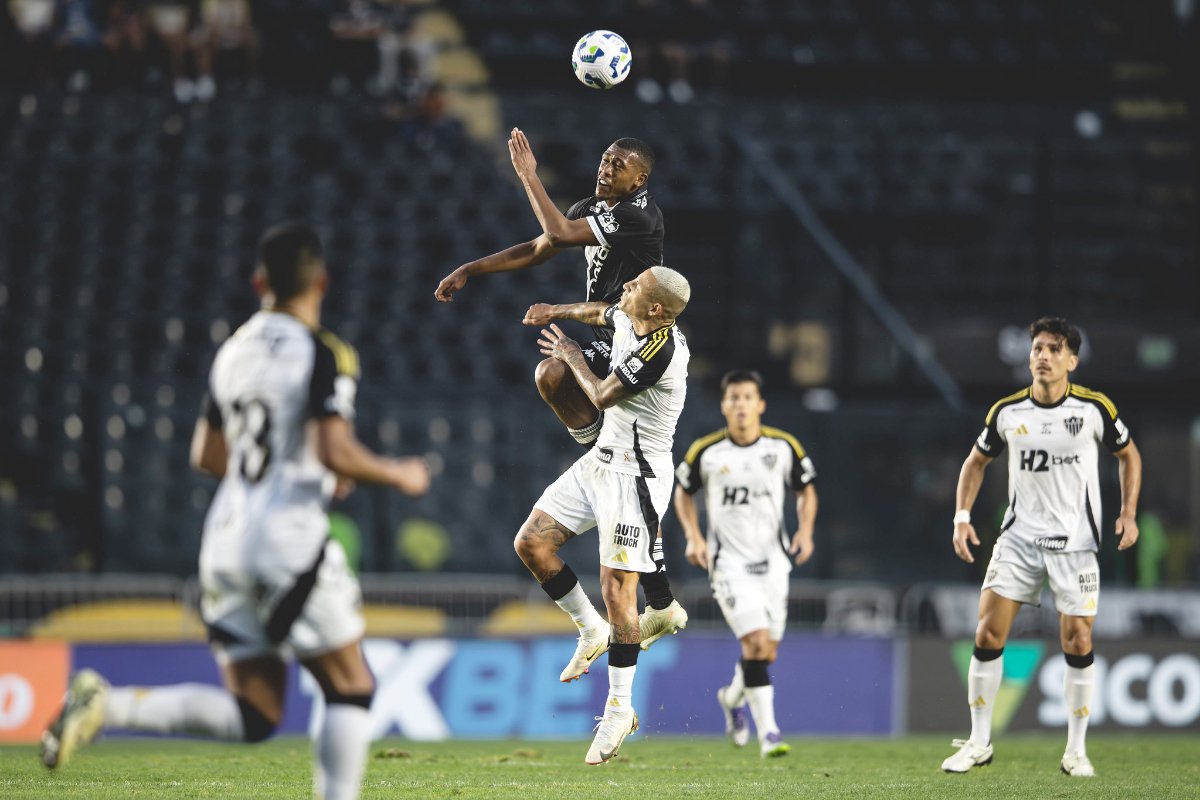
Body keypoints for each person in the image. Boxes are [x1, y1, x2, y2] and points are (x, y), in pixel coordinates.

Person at [40, 222, 431, 800]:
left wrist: (295, 468)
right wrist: (398, 471)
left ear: (258, 282)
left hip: (224, 538)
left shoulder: (233, 351)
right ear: (321, 281)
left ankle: (107, 702)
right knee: (350, 686)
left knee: (256, 712)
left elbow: (207, 454)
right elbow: (333, 448)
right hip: (286, 538)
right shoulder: (324, 351)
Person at [435, 127, 686, 650]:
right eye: (603, 157)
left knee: (561, 377)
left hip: (638, 341)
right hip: (604, 333)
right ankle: (602, 454)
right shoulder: (593, 207)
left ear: (640, 176)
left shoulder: (641, 215)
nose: (606, 167)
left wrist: (528, 177)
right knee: (550, 374)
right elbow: (540, 244)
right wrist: (470, 269)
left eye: (618, 163)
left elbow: (560, 232)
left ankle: (626, 675)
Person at [941, 317, 1142, 778]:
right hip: (1018, 542)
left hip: (1075, 545)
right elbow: (976, 463)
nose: (1043, 356)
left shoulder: (1094, 409)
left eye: (1054, 349)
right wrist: (961, 516)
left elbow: (1128, 455)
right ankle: (978, 742)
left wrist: (1128, 512)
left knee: (1078, 639)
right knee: (987, 635)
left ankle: (1075, 751)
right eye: (1037, 348)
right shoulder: (1007, 412)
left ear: (1071, 360)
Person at [515, 266, 691, 764]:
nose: (626, 287)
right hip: (600, 461)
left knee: (619, 590)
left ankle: (618, 709)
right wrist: (556, 310)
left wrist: (571, 353)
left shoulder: (663, 350)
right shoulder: (632, 319)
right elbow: (601, 311)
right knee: (531, 543)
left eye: (636, 286)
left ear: (656, 309)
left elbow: (600, 395)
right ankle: (588, 627)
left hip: (636, 477)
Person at [674, 370, 818, 758]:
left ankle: (731, 698)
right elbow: (682, 493)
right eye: (733, 397)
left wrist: (804, 531)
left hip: (773, 561)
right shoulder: (705, 451)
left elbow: (806, 490)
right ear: (724, 406)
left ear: (760, 405)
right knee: (753, 642)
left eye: (747, 397)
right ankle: (769, 733)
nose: (740, 404)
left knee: (765, 652)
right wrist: (694, 535)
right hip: (729, 564)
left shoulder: (783, 446)